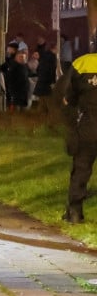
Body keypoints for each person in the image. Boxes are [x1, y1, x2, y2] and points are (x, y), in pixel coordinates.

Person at [57, 38, 97, 223]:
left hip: (89, 124)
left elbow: (68, 96)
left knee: (81, 168)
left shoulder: (82, 63)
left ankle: (74, 212)